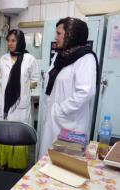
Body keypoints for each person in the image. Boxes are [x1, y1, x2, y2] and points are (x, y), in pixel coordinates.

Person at [39, 17, 98, 158]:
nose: (55, 37)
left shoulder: (85, 58)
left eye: (59, 33)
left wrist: (60, 109)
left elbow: (85, 92)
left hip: (70, 123)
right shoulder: (59, 56)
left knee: (65, 167)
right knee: (46, 164)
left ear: (71, 34)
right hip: (53, 119)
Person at [0, 29, 39, 169]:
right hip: (3, 104)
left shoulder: (30, 60)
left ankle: (16, 163)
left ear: (20, 41)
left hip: (20, 104)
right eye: (8, 40)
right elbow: (0, 79)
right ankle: (3, 161)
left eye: (13, 40)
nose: (10, 44)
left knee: (17, 134)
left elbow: (35, 81)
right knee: (4, 133)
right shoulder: (2, 59)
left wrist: (25, 93)